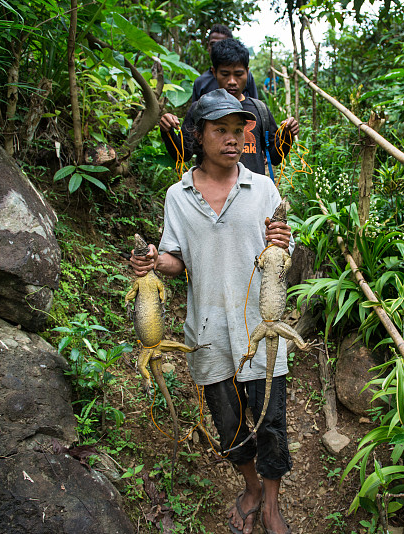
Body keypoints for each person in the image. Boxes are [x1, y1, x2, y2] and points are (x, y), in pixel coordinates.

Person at [132, 89, 295, 534]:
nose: (232, 139)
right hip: (208, 330)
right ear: (197, 136)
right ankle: (251, 489)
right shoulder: (178, 196)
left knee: (272, 420)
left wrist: (280, 240)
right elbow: (175, 260)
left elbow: (282, 247)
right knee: (229, 421)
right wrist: (152, 261)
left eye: (238, 130)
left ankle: (272, 503)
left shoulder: (261, 187)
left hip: (260, 328)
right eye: (219, 130)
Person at [160, 38, 299, 178]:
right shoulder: (201, 108)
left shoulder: (259, 109)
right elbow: (183, 154)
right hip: (211, 193)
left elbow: (275, 158)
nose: (232, 81)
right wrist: (168, 132)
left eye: (238, 74)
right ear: (214, 72)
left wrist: (287, 135)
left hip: (252, 194)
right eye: (225, 74)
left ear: (247, 72)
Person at [192, 24, 258, 102]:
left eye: (221, 44)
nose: (232, 81)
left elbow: (254, 104)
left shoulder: (246, 76)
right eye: (213, 44)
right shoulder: (201, 82)